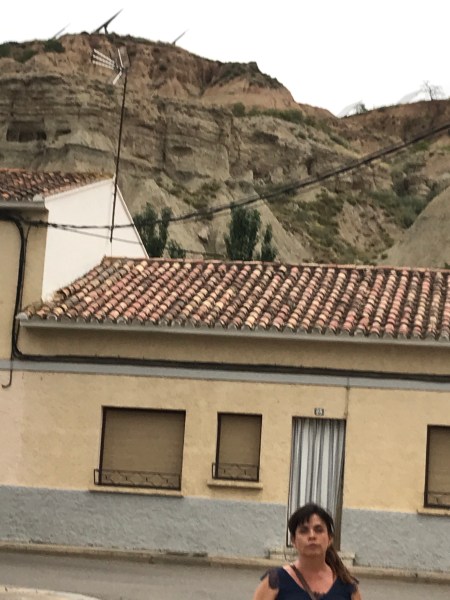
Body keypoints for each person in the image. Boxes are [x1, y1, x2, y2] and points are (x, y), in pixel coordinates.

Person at [252, 503, 362, 600]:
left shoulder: (347, 585)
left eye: (318, 530)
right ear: (293, 540)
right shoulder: (275, 581)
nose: (312, 536)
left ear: (330, 539)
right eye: (304, 531)